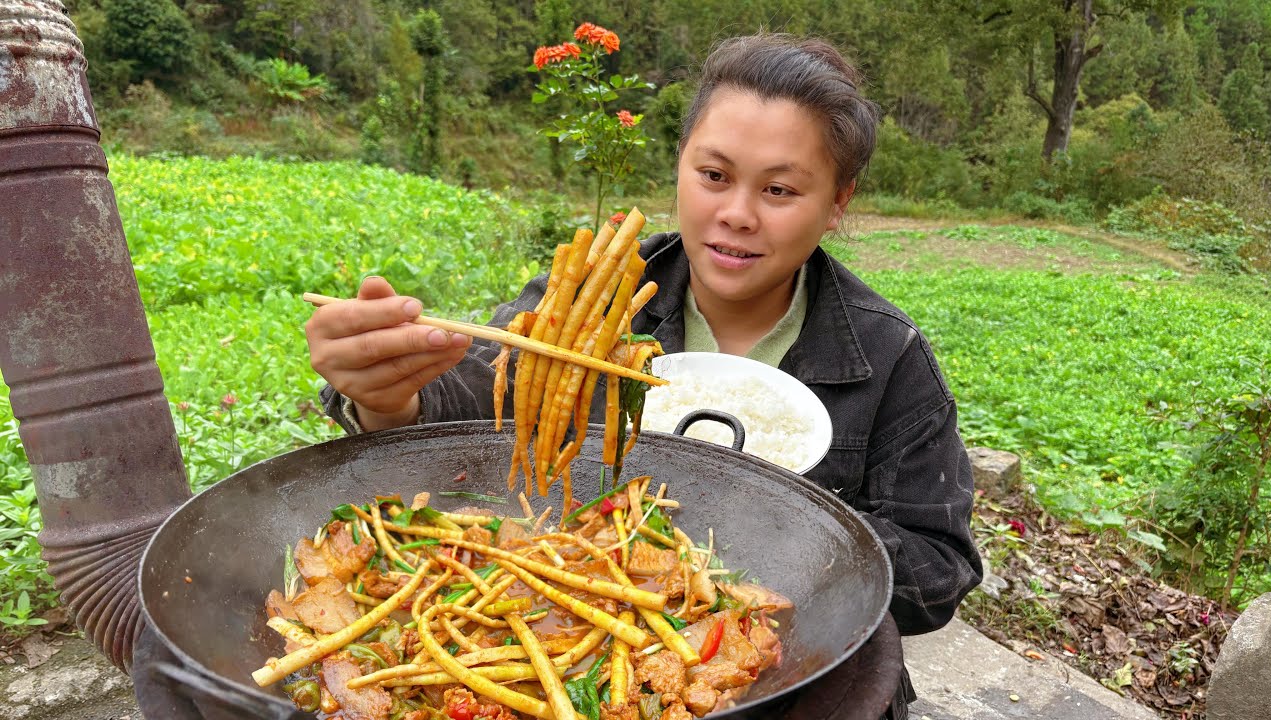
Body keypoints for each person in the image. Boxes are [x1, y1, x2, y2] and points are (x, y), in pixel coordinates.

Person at [307, 33, 982, 717]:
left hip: (792, 681)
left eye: (779, 189)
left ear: (837, 201)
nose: (737, 214)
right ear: (680, 166)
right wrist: (389, 399)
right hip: (588, 644)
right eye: (713, 175)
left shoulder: (885, 353)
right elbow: (477, 395)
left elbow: (939, 571)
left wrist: (785, 525)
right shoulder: (587, 304)